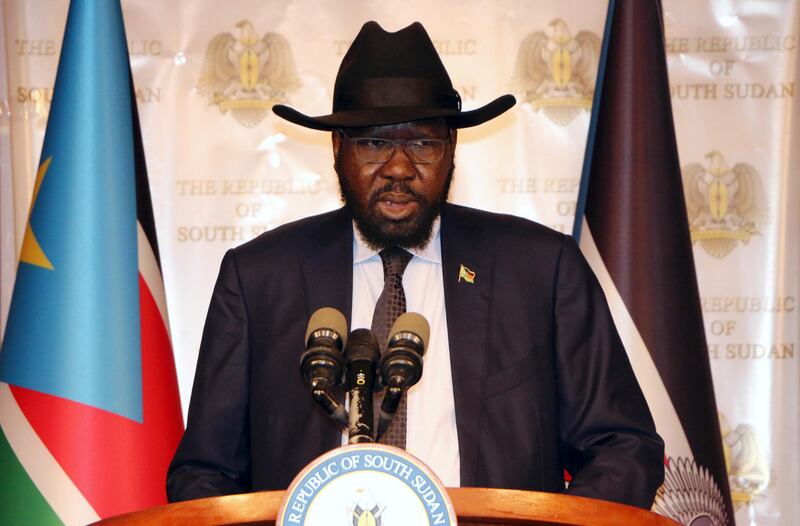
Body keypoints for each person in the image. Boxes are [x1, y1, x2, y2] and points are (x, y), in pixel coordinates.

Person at [167, 21, 664, 508]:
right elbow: (205, 474)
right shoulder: (258, 279)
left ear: (452, 149)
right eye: (375, 143)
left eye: (423, 143)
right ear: (338, 150)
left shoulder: (540, 271)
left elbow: (623, 446)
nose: (400, 167)